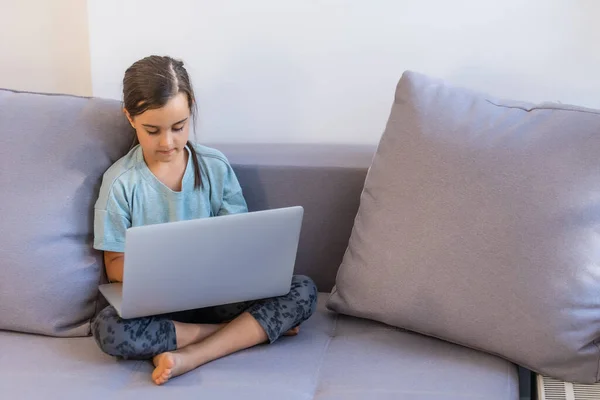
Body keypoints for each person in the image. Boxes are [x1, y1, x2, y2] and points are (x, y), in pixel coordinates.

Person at [91, 55, 318, 385]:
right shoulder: (121, 183)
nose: (167, 142)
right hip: (159, 306)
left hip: (220, 297)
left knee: (303, 290)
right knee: (109, 329)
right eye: (152, 130)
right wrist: (168, 271)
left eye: (178, 127)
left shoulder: (214, 166)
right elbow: (113, 264)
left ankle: (193, 354)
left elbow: (238, 236)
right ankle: (235, 335)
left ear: (191, 108)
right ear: (130, 118)